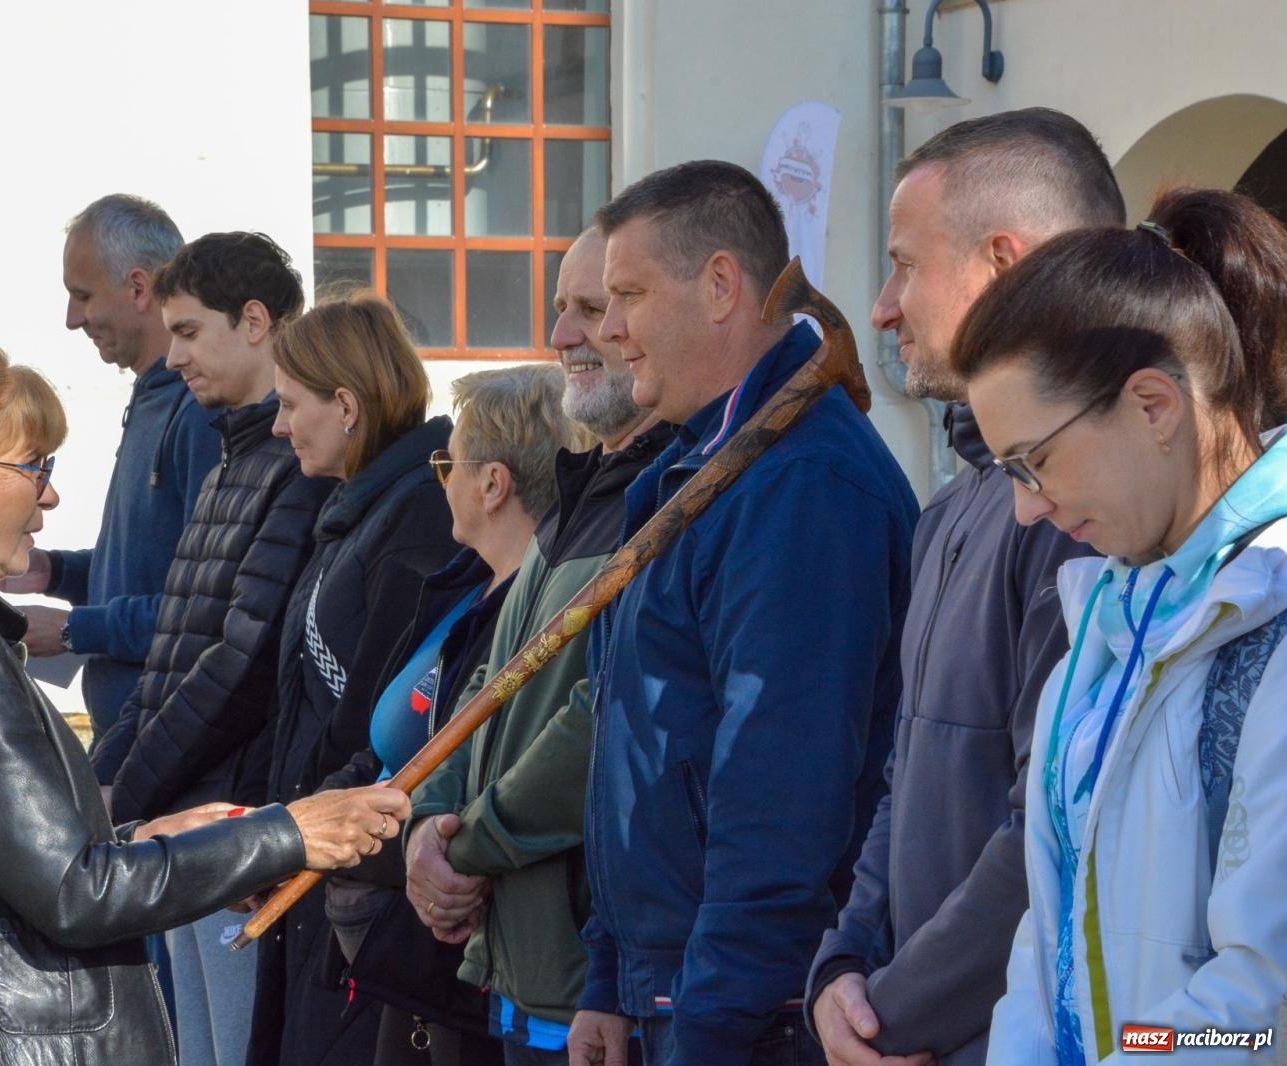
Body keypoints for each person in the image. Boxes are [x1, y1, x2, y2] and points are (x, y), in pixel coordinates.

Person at [0, 335, 410, 1065]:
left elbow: (1, 859)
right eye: (34, 467)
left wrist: (152, 839)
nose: (48, 494)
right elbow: (78, 895)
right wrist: (290, 832)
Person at [568, 161, 919, 1066]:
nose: (607, 329)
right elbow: (637, 731)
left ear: (721, 285)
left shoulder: (804, 483)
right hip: (671, 988)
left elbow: (782, 789)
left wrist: (713, 1023)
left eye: (628, 296)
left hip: (751, 1012)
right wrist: (611, 976)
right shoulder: (685, 469)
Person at [806, 108, 1126, 1066]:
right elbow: (905, 778)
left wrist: (896, 1014)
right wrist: (843, 966)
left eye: (905, 264)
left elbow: (1050, 832)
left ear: (1001, 263)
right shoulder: (955, 508)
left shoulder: (1083, 519)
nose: (880, 308)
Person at [954, 190, 1287, 1064]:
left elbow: (1262, 1004)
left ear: (1153, 405)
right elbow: (1050, 940)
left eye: (1032, 462)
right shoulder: (1110, 619)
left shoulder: (1271, 612)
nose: (1024, 510)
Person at [406, 228, 668, 1066]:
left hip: (592, 986)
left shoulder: (669, 496)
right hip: (521, 973)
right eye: (562, 309)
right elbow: (490, 689)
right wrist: (425, 824)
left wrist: (464, 845)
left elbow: (601, 722)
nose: (564, 336)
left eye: (592, 308)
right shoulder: (581, 493)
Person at [87, 231, 335, 1066]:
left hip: (235, 825)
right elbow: (173, 656)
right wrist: (103, 782)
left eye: (189, 331)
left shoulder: (295, 466)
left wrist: (125, 790)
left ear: (255, 321)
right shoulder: (231, 454)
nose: (175, 356)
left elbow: (239, 664)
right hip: (183, 820)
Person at [320, 363, 581, 1065]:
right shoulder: (463, 586)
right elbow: (400, 753)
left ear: (493, 484)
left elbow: (490, 777)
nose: (442, 481)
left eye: (448, 464)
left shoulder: (534, 608)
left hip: (459, 953)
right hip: (402, 929)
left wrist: (341, 844)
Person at [252, 294, 458, 1066]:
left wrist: (291, 833)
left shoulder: (415, 518)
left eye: (289, 404)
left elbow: (378, 718)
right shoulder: (357, 509)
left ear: (345, 405)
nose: (280, 426)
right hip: (315, 848)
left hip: (353, 868)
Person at [0, 194, 222, 736]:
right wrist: (58, 572)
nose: (72, 319)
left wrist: (75, 630)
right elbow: (154, 561)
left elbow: (209, 606)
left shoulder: (201, 413)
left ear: (139, 288)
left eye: (83, 296)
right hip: (130, 730)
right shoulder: (152, 396)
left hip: (166, 738)